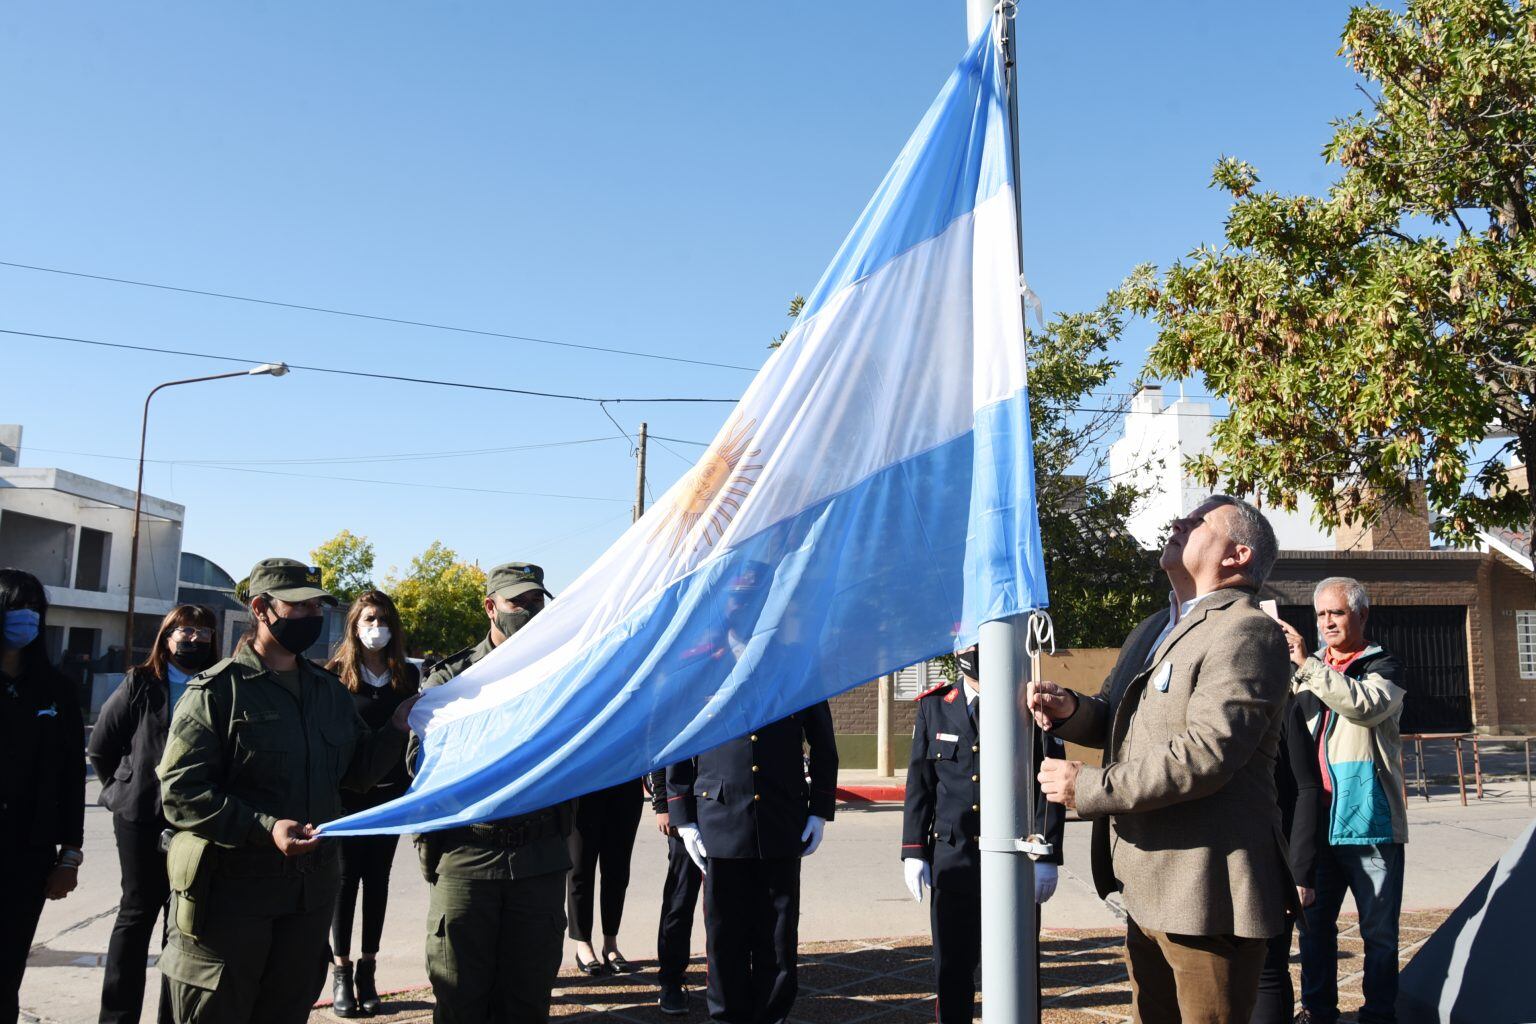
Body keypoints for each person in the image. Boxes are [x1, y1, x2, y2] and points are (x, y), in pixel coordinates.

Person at [1028, 495, 1295, 1024]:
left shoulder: (1246, 630)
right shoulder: (1155, 628)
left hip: (1204, 893)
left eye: (1199, 522)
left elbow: (1206, 753)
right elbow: (1121, 722)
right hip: (1146, 887)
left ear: (1237, 555)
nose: (1180, 522)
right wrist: (1071, 710)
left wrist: (1088, 787)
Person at [156, 559, 415, 1024]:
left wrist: (397, 728)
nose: (313, 615)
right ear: (261, 608)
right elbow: (181, 792)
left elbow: (357, 772)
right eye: (299, 606)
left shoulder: (327, 691)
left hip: (308, 902)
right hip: (235, 901)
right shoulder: (218, 692)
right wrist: (265, 827)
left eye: (317, 605)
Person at [413, 562, 574, 1024]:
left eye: (536, 602)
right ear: (490, 607)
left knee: (526, 1000)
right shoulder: (453, 680)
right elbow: (421, 764)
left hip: (539, 857)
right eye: (517, 602)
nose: (529, 610)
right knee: (460, 997)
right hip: (469, 859)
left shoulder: (562, 675)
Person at [900, 642, 1065, 1024]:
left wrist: (1047, 854)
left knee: (1017, 969)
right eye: (968, 639)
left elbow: (1049, 781)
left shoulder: (1028, 704)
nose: (975, 649)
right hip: (953, 860)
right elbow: (920, 785)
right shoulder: (935, 706)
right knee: (952, 969)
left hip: (1013, 862)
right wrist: (914, 851)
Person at [667, 676, 837, 1024]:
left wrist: (819, 810)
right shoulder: (702, 671)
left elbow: (823, 742)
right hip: (720, 817)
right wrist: (683, 817)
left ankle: (771, 1015)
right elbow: (680, 743)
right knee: (723, 935)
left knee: (777, 934)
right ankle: (726, 1016)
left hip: (780, 817)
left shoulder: (796, 669)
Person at [1278, 577, 1407, 1024]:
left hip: (1370, 821)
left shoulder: (1383, 666)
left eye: (1338, 613)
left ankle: (1379, 1013)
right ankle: (1318, 1011)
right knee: (1313, 929)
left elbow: (1364, 706)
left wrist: (1308, 669)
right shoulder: (1308, 668)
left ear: (1362, 615)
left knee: (1380, 933)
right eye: (1321, 614)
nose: (1328, 622)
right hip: (1317, 821)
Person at [89, 604, 220, 1024]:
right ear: (166, 636)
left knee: (183, 922)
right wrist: (119, 792)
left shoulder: (219, 686)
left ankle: (173, 1015)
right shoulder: (142, 682)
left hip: (195, 820)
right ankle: (117, 1015)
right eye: (185, 630)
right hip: (141, 816)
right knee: (137, 912)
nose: (194, 639)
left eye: (203, 632)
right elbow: (102, 747)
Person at [325, 591, 420, 1018]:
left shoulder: (407, 678)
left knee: (377, 882)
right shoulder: (334, 676)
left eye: (382, 619)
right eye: (367, 619)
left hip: (390, 797)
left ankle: (368, 968)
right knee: (345, 883)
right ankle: (341, 971)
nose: (375, 627)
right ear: (354, 625)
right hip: (347, 799)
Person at [1, 567, 85, 1024]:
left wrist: (69, 855)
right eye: (16, 607)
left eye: (34, 609)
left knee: (8, 970)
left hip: (28, 854)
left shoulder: (57, 689)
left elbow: (74, 775)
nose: (27, 618)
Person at [1250, 699, 1323, 1024]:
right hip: (1212, 860)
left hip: (1270, 862)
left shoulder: (1279, 704)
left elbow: (1307, 787)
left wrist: (1301, 871)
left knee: (1266, 968)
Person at [567, 777, 645, 975]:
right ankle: (583, 943)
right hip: (584, 784)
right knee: (580, 868)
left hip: (625, 780)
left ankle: (610, 943)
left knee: (617, 870)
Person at [647, 760, 702, 1016]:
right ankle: (671, 981)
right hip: (685, 809)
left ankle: (729, 976)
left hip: (724, 806)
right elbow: (663, 748)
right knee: (680, 899)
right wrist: (662, 803)